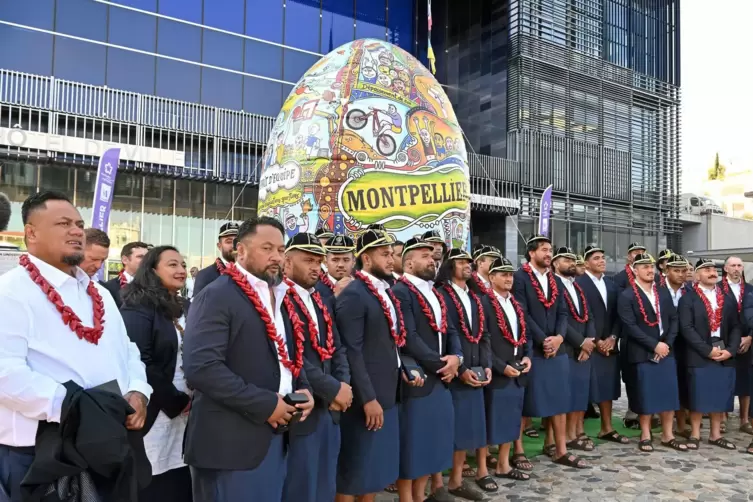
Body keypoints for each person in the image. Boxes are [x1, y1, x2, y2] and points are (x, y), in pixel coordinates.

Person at [0, 190, 152, 501]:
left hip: (108, 445)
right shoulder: (10, 291)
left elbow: (128, 351)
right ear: (31, 232)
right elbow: (6, 374)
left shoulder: (100, 294)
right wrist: (80, 410)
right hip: (42, 456)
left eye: (79, 224)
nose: (76, 231)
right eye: (63, 223)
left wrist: (138, 390)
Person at [182, 217, 314, 502]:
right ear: (240, 251)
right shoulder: (217, 295)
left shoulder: (280, 296)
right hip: (230, 446)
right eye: (267, 248)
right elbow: (201, 369)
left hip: (274, 439)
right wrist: (267, 404)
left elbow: (288, 356)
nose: (276, 257)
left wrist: (305, 389)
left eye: (281, 250)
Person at [335, 229, 420, 502]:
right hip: (366, 397)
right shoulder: (355, 294)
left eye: (392, 254)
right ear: (367, 259)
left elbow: (391, 343)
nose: (391, 260)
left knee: (373, 469)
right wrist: (367, 398)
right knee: (355, 469)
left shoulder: (385, 292)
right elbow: (352, 351)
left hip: (388, 389)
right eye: (384, 255)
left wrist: (403, 370)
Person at [280, 233, 352, 502]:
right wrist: (333, 389)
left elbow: (337, 347)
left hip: (330, 409)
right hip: (305, 408)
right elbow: (291, 354)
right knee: (301, 485)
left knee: (325, 482)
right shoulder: (280, 298)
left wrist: (343, 385)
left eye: (318, 261)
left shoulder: (319, 298)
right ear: (287, 262)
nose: (315, 267)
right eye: (308, 260)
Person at [121, 246, 193, 502]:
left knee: (179, 478)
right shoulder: (138, 304)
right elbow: (140, 360)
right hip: (155, 408)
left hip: (186, 412)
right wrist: (176, 400)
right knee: (153, 480)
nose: (181, 270)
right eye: (172, 264)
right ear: (152, 269)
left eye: (183, 264)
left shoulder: (185, 305)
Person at [392, 238, 461, 502]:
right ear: (408, 262)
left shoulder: (437, 292)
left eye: (433, 256)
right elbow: (409, 336)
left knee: (432, 444)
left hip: (441, 378)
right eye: (424, 256)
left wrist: (457, 357)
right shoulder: (401, 291)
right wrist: (441, 365)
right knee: (413, 446)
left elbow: (451, 330)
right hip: (418, 381)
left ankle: (420, 496)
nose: (432, 259)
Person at [515, 236, 585, 468]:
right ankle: (518, 450)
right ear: (531, 253)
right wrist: (543, 340)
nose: (548, 253)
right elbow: (521, 313)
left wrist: (559, 338)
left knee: (559, 398)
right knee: (524, 403)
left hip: (557, 349)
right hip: (531, 349)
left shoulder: (554, 279)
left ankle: (558, 447)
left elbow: (563, 313)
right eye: (544, 250)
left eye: (550, 249)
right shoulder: (519, 277)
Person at [436, 249, 492, 500]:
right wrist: (460, 370)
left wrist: (487, 364)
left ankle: (456, 481)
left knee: (466, 431)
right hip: (452, 374)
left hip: (477, 371)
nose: (467, 266)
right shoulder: (442, 295)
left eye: (469, 262)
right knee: (445, 431)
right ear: (450, 266)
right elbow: (447, 336)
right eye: (461, 262)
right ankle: (437, 483)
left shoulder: (475, 297)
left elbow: (484, 335)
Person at [618, 253, 687, 453]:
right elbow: (630, 326)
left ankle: (668, 434)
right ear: (634, 270)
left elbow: (674, 320)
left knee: (668, 393)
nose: (650, 270)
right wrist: (653, 345)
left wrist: (666, 344)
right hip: (641, 352)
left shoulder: (663, 293)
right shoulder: (627, 295)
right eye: (644, 267)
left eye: (651, 266)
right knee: (645, 394)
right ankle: (645, 434)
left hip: (666, 351)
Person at [678, 258, 741, 451]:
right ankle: (695, 434)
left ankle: (715, 435)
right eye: (706, 270)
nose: (712, 272)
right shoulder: (688, 298)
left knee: (720, 393)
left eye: (714, 269)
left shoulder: (727, 297)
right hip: (699, 352)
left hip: (723, 351)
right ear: (697, 275)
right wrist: (706, 350)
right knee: (698, 394)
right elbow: (686, 328)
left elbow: (736, 326)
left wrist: (730, 349)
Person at [483, 256, 532, 483]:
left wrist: (528, 357)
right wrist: (500, 366)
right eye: (503, 274)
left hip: (518, 368)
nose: (508, 278)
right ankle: (483, 467)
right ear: (491, 277)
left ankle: (503, 463)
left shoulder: (517, 304)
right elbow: (482, 341)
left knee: (512, 418)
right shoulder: (483, 303)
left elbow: (526, 336)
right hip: (497, 371)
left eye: (510, 274)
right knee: (489, 421)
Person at [576, 245, 628, 444]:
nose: (601, 261)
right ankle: (579, 431)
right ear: (587, 262)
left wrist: (613, 337)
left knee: (608, 387)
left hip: (610, 345)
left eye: (603, 257)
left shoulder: (612, 284)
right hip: (589, 344)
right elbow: (582, 314)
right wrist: (596, 340)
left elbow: (618, 314)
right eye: (596, 258)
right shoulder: (579, 284)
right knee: (585, 389)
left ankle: (606, 428)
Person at [552, 247, 596, 453]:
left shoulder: (577, 286)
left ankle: (575, 432)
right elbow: (560, 319)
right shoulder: (554, 284)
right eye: (565, 259)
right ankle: (565, 437)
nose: (571, 262)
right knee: (566, 395)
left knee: (580, 393)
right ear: (555, 263)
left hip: (584, 348)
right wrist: (580, 342)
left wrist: (590, 340)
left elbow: (588, 315)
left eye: (572, 259)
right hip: (567, 347)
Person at [664, 254, 695, 441]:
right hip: (665, 343)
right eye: (676, 270)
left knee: (683, 384)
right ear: (667, 271)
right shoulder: (658, 290)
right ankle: (664, 424)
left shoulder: (690, 292)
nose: (681, 274)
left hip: (686, 344)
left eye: (684, 271)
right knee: (667, 384)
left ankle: (682, 425)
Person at [721, 256, 753, 433]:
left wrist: (750, 337)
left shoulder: (750, 289)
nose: (736, 268)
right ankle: (723, 417)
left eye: (739, 265)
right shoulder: (718, 288)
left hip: (747, 340)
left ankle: (744, 419)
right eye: (732, 265)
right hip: (725, 341)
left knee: (746, 380)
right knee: (726, 378)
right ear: (725, 268)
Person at [192, 222, 239, 298]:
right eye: (229, 242)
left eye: (237, 241)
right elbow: (198, 307)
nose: (234, 246)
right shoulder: (205, 275)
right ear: (219, 246)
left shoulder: (253, 274)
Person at [103, 240, 149, 307]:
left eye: (147, 257)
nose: (146, 260)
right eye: (140, 257)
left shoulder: (154, 286)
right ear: (125, 260)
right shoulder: (109, 288)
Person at [317, 234, 356, 301]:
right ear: (325, 262)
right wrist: (335, 296)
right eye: (335, 260)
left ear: (353, 262)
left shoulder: (363, 286)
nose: (340, 265)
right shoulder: (315, 289)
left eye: (346, 260)